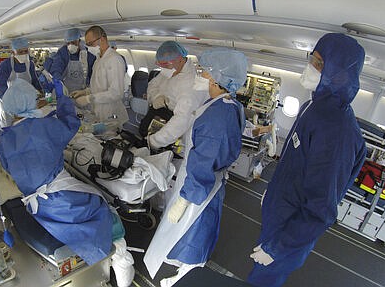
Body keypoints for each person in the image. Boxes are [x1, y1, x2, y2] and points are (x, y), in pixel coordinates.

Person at [247, 33, 367, 287]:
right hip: (281, 212)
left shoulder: (337, 131)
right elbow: (295, 163)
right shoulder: (311, 108)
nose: (310, 66)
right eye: (311, 58)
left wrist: (277, 248)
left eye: (319, 62)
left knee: (262, 280)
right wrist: (274, 191)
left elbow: (321, 208)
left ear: (339, 72)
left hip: (291, 230)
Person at [0, 78, 134, 286]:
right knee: (106, 213)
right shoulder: (44, 127)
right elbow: (71, 123)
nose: (39, 101)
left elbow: (11, 167)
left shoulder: (4, 138)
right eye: (36, 98)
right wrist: (63, 99)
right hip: (63, 202)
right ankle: (122, 265)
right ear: (27, 103)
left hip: (39, 208)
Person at [144, 47, 247, 287]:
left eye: (205, 71)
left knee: (196, 230)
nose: (200, 74)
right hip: (204, 179)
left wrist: (185, 198)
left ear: (218, 77)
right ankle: (184, 267)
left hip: (202, 185)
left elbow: (205, 159)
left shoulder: (217, 116)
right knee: (188, 231)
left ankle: (186, 277)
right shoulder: (226, 104)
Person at [140, 41, 204, 150]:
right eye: (161, 64)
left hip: (173, 123)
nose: (163, 68)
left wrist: (155, 141)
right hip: (158, 112)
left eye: (166, 64)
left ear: (179, 59)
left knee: (162, 150)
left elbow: (181, 119)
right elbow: (152, 85)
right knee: (143, 132)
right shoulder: (169, 69)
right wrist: (156, 97)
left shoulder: (190, 83)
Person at [70, 25, 128, 126]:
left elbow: (116, 93)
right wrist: (84, 92)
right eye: (87, 44)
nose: (88, 47)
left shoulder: (114, 60)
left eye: (91, 43)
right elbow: (98, 86)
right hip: (98, 109)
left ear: (102, 39)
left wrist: (88, 99)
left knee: (110, 139)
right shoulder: (98, 59)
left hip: (111, 113)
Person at [0, 37, 42, 143]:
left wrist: (40, 92)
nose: (23, 54)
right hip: (7, 103)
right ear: (13, 52)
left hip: (24, 103)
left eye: (25, 51)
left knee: (23, 130)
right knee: (7, 133)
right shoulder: (6, 65)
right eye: (20, 51)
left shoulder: (29, 64)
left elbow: (34, 81)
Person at [50, 28, 96, 94]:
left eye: (74, 42)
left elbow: (93, 76)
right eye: (68, 43)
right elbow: (56, 68)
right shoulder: (63, 53)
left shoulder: (88, 56)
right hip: (66, 91)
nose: (71, 45)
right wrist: (59, 82)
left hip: (82, 92)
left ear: (79, 41)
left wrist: (88, 90)